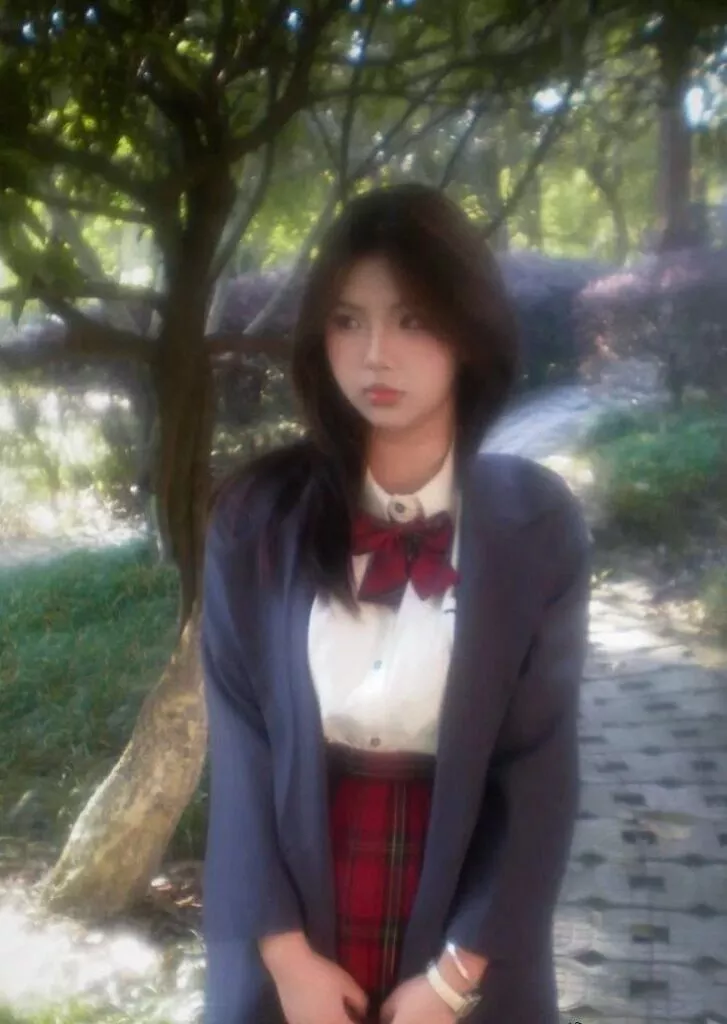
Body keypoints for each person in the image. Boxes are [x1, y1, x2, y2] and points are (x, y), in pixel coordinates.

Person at [201, 183, 591, 1024]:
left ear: (468, 332)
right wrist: (286, 961)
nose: (375, 354)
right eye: (348, 320)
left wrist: (451, 983)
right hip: (291, 910)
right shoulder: (254, 520)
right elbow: (241, 752)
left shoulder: (537, 525)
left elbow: (537, 775)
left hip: (462, 918)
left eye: (412, 319)